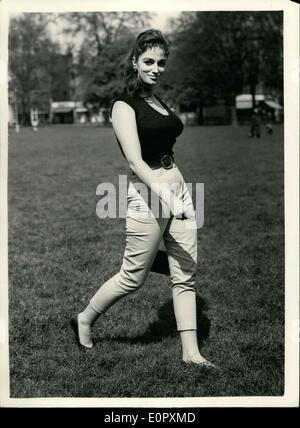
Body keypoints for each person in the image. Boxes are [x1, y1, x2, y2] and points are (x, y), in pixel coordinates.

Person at [71, 29, 215, 367]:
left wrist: (179, 194)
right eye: (149, 61)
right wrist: (170, 197)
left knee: (185, 271)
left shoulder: (156, 99)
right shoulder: (123, 105)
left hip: (177, 183)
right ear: (135, 62)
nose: (156, 68)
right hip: (148, 192)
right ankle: (85, 319)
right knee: (132, 277)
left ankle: (191, 354)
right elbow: (134, 161)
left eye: (161, 62)